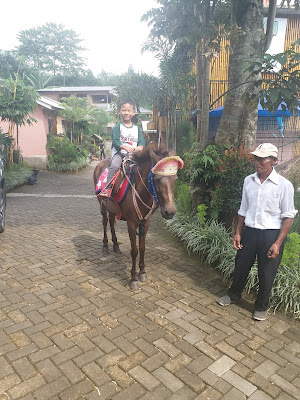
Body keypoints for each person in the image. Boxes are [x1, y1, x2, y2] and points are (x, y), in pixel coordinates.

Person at [217, 143, 298, 321]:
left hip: (271, 235)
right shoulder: (249, 181)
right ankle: (233, 295)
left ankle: (261, 306)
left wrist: (277, 243)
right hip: (250, 232)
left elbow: (288, 216)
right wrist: (238, 232)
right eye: (256, 158)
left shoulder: (284, 185)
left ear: (274, 161)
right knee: (241, 266)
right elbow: (243, 209)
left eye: (262, 158)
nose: (257, 162)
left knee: (266, 272)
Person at [100, 99, 145, 197]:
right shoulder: (117, 127)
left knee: (145, 167)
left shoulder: (137, 128)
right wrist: (124, 146)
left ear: (133, 112)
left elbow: (141, 142)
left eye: (129, 110)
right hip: (120, 154)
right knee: (115, 166)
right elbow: (116, 141)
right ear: (119, 112)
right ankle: (108, 188)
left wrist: (140, 147)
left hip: (134, 155)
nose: (126, 113)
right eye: (124, 110)